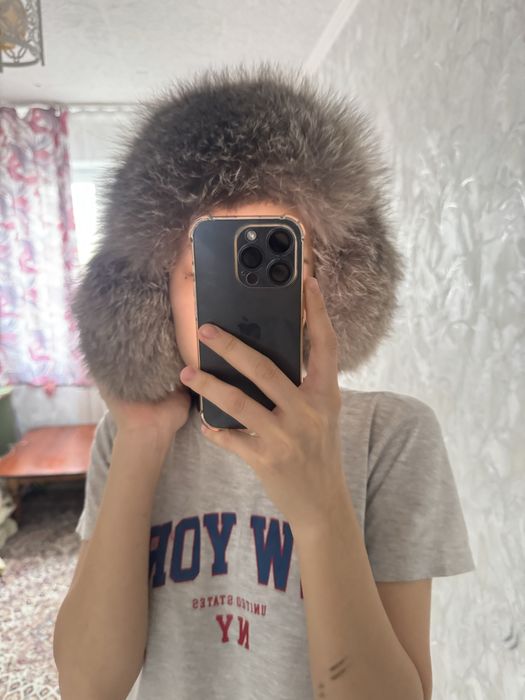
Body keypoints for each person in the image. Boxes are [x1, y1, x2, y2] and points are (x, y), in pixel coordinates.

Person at [53, 62, 475, 700]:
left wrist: (320, 504)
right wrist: (141, 441)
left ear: (328, 288)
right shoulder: (129, 435)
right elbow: (88, 688)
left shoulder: (392, 435)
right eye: (204, 272)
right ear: (154, 298)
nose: (238, 304)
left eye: (275, 268)